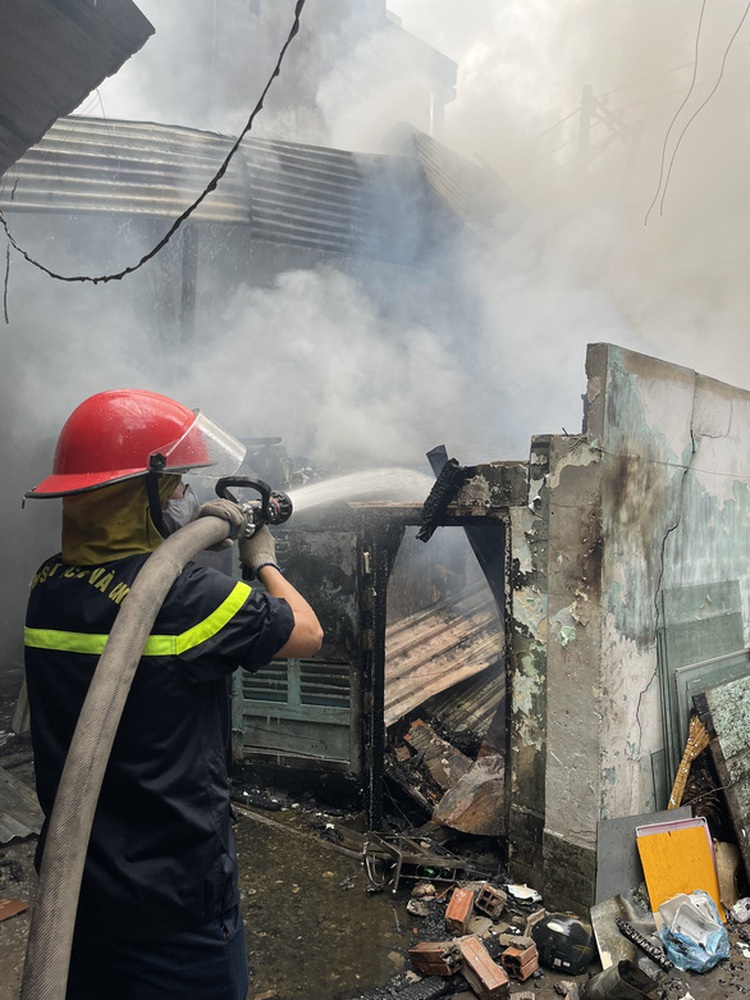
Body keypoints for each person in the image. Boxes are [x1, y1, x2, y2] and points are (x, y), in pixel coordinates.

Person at [23, 388, 323, 1000]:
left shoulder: (48, 583)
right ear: (143, 495)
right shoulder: (185, 599)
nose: (189, 496)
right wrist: (261, 558)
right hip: (175, 899)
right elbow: (308, 633)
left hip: (77, 886)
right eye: (179, 484)